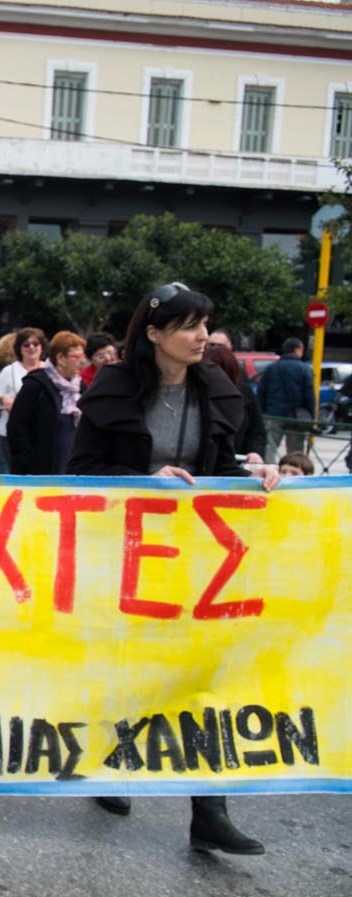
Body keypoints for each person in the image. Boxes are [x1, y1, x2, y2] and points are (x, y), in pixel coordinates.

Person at [68, 282, 278, 856]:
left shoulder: (217, 389)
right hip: (127, 557)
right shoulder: (113, 390)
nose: (202, 336)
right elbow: (81, 469)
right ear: (155, 334)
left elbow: (221, 466)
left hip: (201, 560)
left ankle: (210, 809)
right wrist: (145, 481)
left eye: (205, 325)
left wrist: (256, 473)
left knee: (206, 678)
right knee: (131, 670)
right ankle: (111, 767)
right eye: (189, 326)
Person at [6, 331, 86, 475]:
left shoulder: (80, 387)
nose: (82, 361)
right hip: (40, 470)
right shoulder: (36, 384)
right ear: (61, 358)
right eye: (77, 357)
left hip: (71, 467)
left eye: (83, 356)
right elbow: (16, 427)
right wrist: (27, 461)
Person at [0, 327, 46, 474]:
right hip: (9, 435)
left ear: (42, 347)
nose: (31, 347)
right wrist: (1, 400)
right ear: (19, 348)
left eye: (36, 344)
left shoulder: (49, 370)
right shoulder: (9, 371)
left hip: (41, 436)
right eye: (26, 344)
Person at [204, 344, 265, 463]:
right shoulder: (194, 396)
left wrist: (254, 452)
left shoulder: (245, 394)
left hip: (236, 463)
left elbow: (257, 431)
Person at [256, 337, 312, 463]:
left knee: (269, 447)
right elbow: (309, 395)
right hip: (296, 416)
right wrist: (311, 416)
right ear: (297, 350)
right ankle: (293, 471)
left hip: (273, 413)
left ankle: (268, 470)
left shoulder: (271, 368)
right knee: (295, 450)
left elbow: (261, 392)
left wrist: (262, 412)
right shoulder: (304, 369)